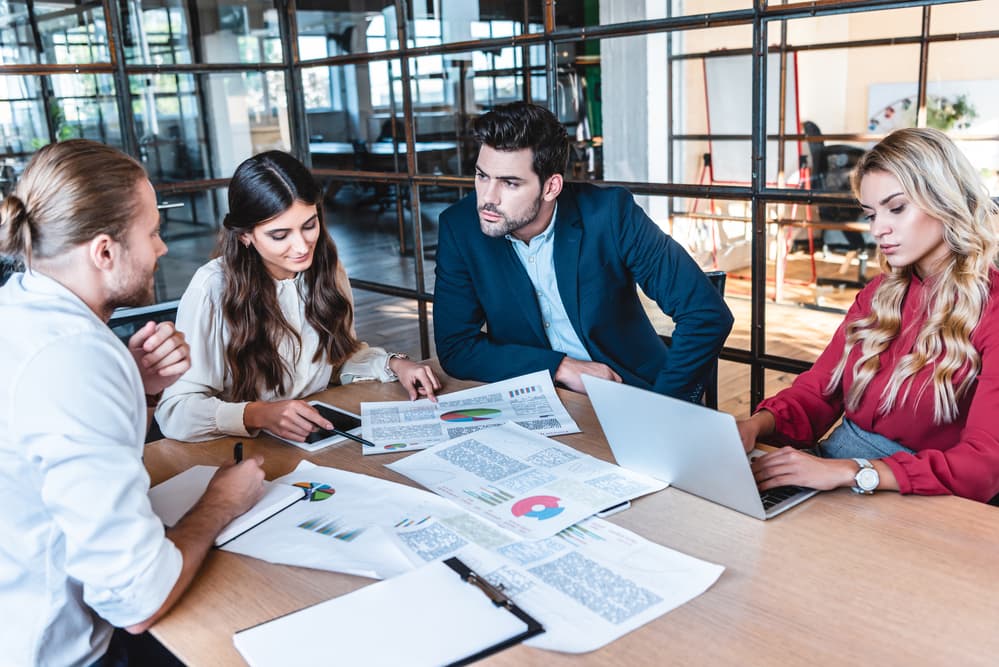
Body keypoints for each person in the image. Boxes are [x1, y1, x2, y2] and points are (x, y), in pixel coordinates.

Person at [0, 139, 267, 666]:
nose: (162, 249)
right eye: (152, 233)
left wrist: (140, 389)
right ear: (104, 251)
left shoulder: (20, 307)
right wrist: (222, 503)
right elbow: (137, 598)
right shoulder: (74, 359)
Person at [742, 127, 999, 503]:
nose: (878, 229)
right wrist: (754, 426)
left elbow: (984, 467)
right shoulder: (879, 294)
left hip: (923, 497)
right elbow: (819, 393)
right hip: (836, 473)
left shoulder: (992, 309)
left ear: (945, 200)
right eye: (871, 214)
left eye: (896, 208)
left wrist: (855, 471)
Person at [433, 102, 733, 399]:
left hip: (631, 391)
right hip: (535, 397)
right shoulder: (459, 228)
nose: (487, 197)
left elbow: (705, 314)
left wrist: (665, 407)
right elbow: (456, 347)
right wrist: (559, 368)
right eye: (482, 176)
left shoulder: (611, 214)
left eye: (509, 183)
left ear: (551, 187)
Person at [156, 151, 440, 443]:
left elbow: (336, 361)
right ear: (245, 236)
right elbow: (175, 411)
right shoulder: (211, 288)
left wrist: (393, 364)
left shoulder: (327, 269)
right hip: (240, 452)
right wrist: (258, 414)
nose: (302, 246)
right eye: (280, 235)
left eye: (309, 225)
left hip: (314, 441)